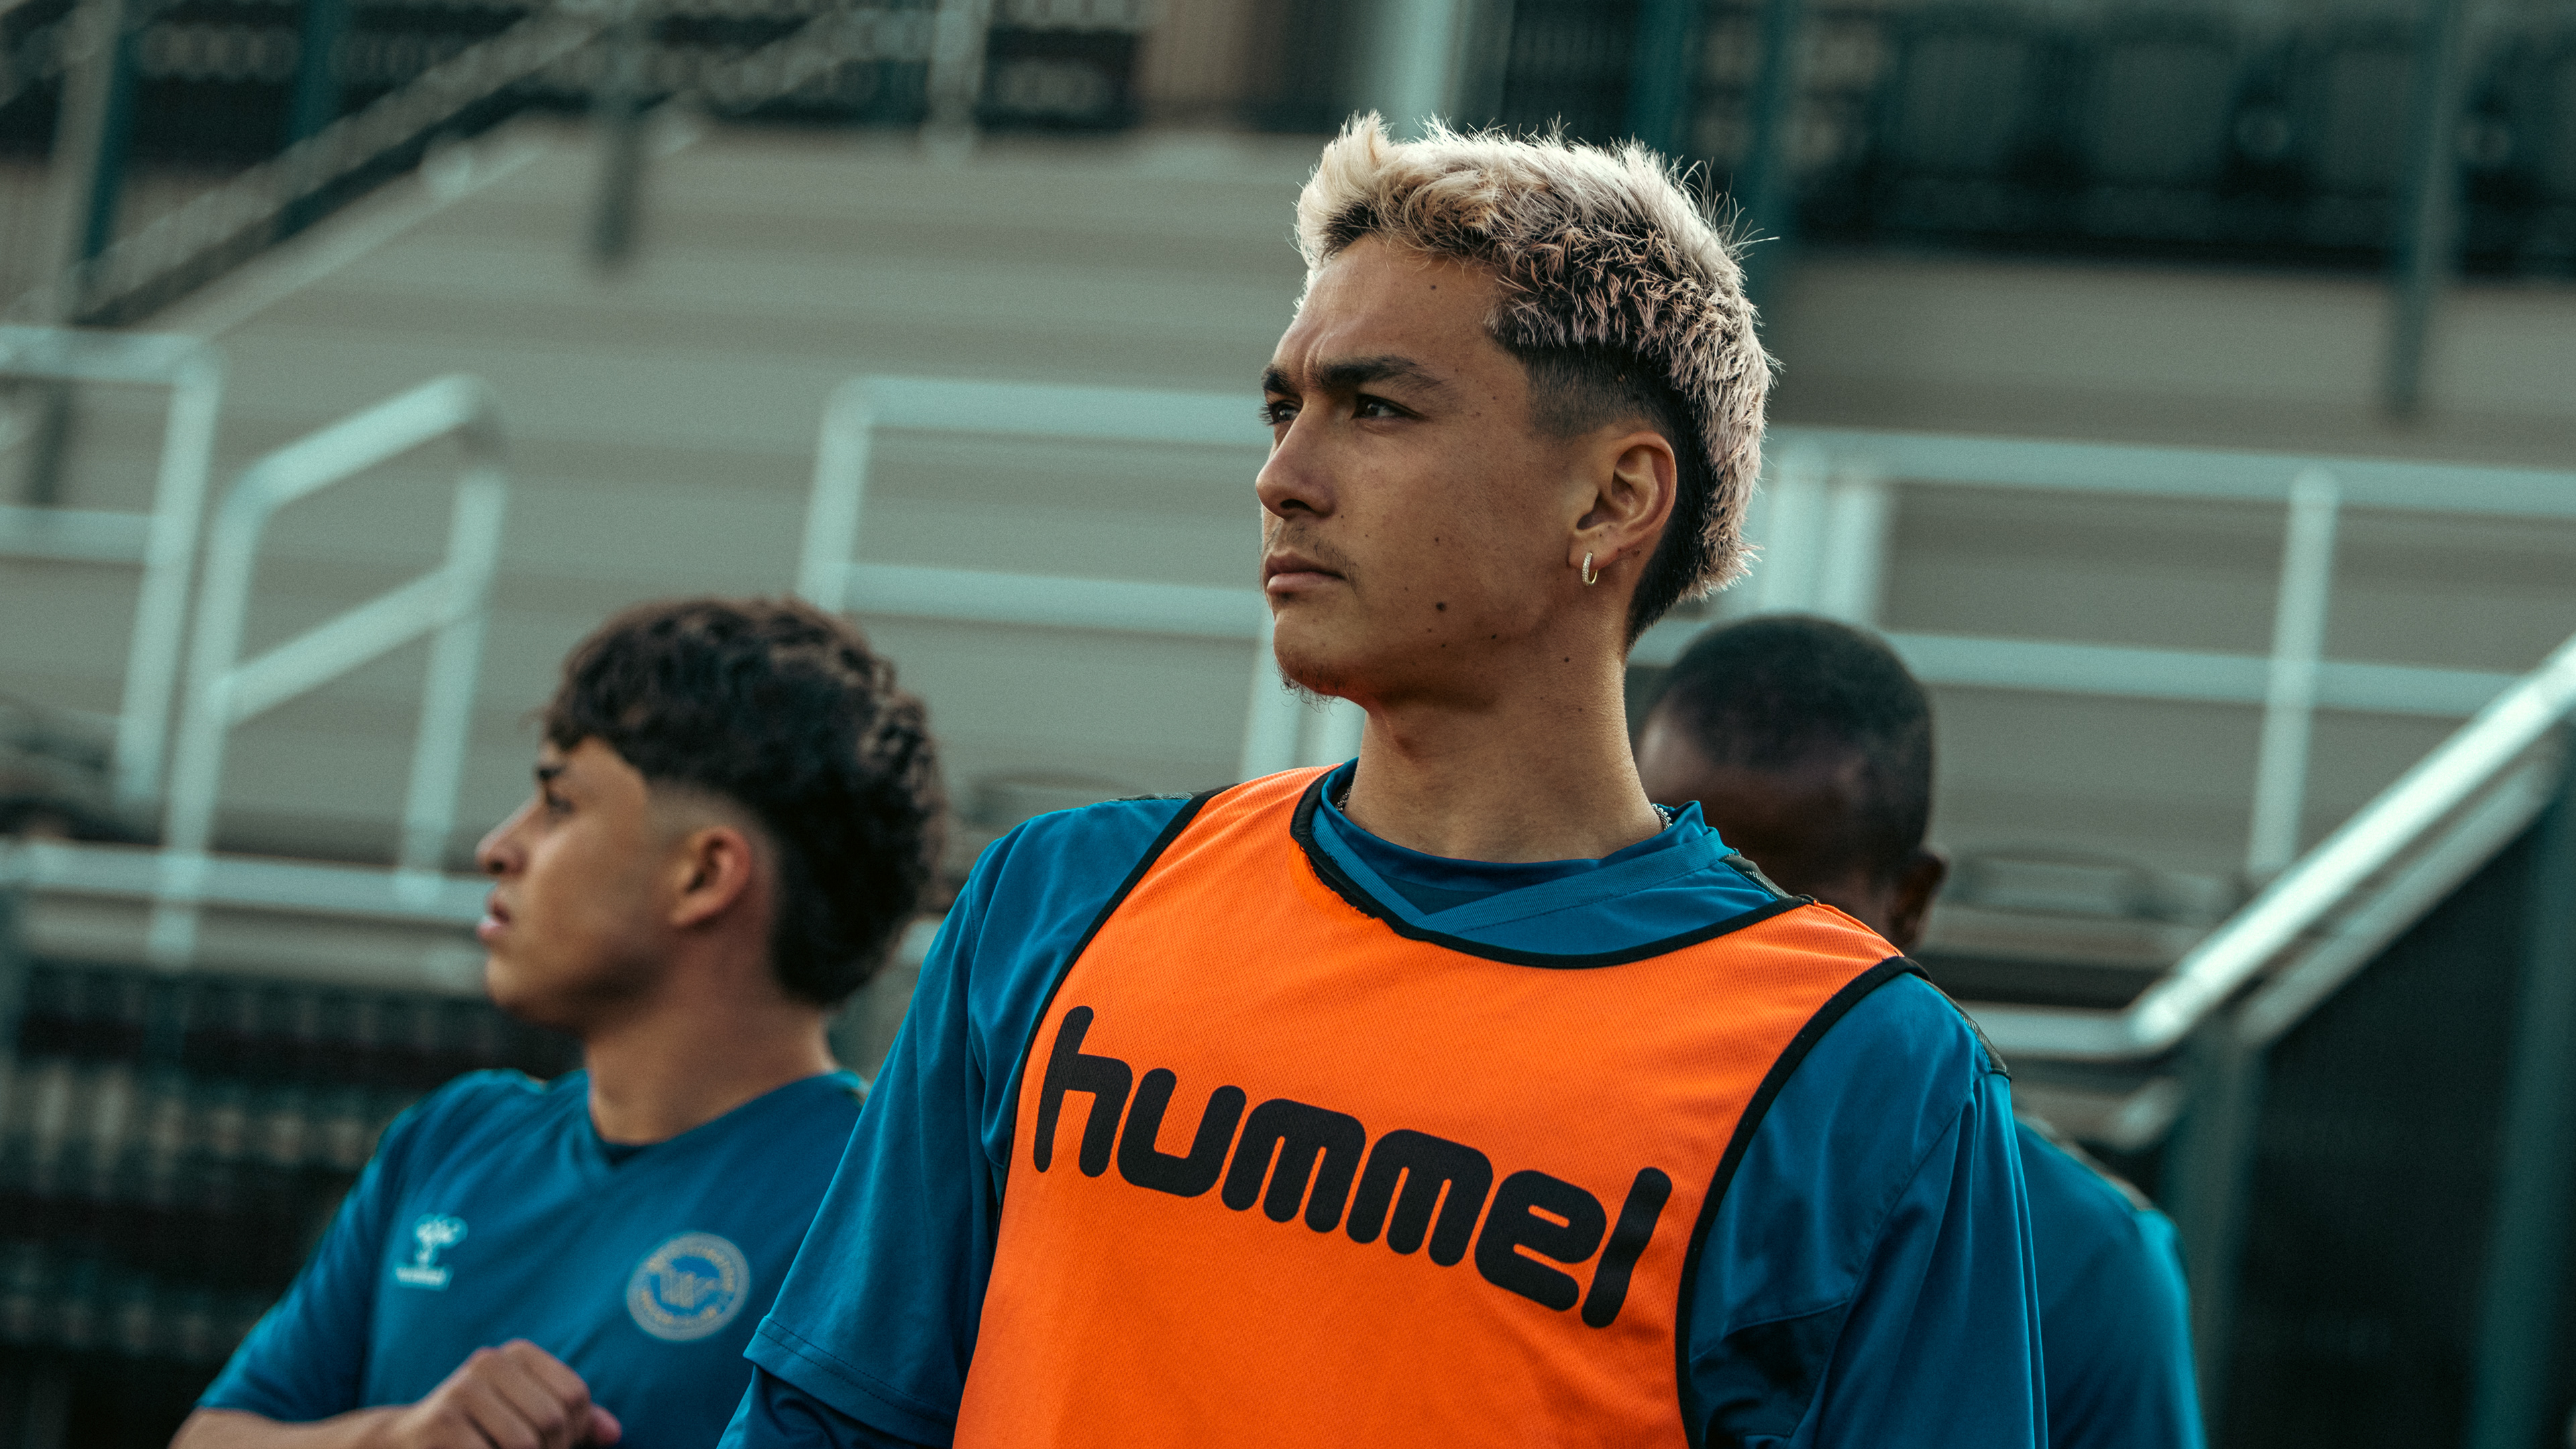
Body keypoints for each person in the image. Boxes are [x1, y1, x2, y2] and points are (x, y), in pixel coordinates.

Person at [724, 117, 2043, 1449]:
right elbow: (830, 1420)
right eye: (1283, 408)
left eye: (1377, 409)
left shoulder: (1858, 1069)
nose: (1282, 479)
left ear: (1610, 500)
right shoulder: (1060, 903)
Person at [174, 598, 943, 1449]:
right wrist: (396, 1440)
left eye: (560, 802)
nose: (499, 847)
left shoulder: (881, 1207)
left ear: (702, 875)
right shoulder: (451, 1139)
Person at [1634, 612, 2206, 1449]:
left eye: (1791, 918)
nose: (1727, 955)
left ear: (1911, 901)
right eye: (1678, 886)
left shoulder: (2087, 1264)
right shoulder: (1529, 1119)